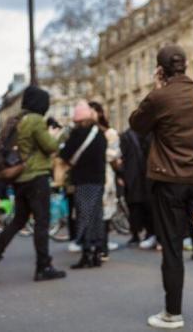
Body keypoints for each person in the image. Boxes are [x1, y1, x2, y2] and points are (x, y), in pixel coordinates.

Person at [129, 44, 193, 330]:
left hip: (169, 182)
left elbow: (136, 124)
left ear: (161, 69)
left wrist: (157, 87)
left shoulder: (159, 97)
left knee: (172, 248)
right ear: (186, 65)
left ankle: (173, 313)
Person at [0, 86, 66, 282]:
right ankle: (43, 267)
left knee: (18, 221)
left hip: (19, 178)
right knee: (42, 222)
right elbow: (50, 147)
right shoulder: (35, 120)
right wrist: (54, 134)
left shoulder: (17, 119)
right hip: (36, 177)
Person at [59, 101, 107, 269]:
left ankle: (87, 254)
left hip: (83, 181)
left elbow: (64, 154)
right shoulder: (100, 133)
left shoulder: (77, 134)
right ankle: (97, 252)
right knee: (96, 216)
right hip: (99, 180)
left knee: (84, 216)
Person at [88, 101, 120, 260]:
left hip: (105, 174)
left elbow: (113, 155)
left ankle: (102, 246)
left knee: (105, 210)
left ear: (99, 113)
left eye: (92, 111)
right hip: (90, 175)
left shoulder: (109, 133)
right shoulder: (84, 131)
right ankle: (94, 245)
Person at [118, 128, 154, 247]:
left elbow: (122, 157)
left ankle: (138, 234)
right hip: (141, 176)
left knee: (136, 207)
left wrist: (121, 174)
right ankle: (145, 234)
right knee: (142, 207)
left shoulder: (127, 135)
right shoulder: (149, 133)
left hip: (135, 176)